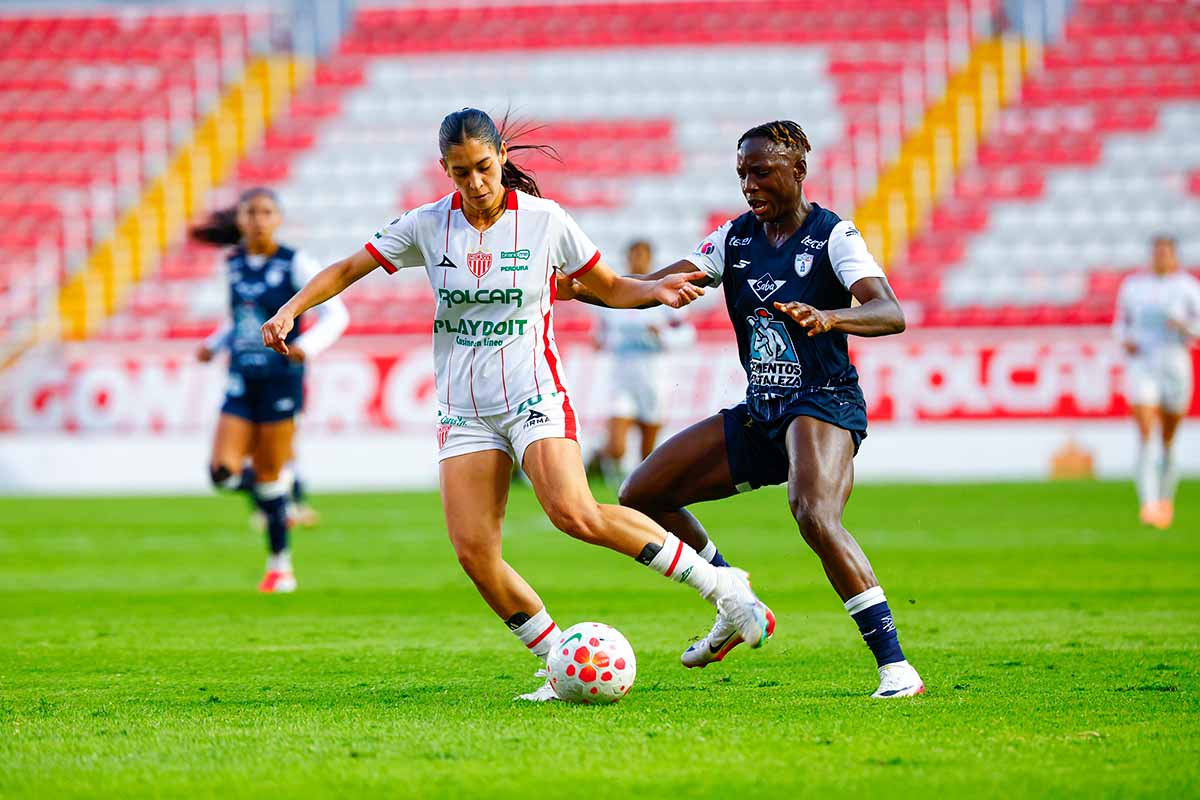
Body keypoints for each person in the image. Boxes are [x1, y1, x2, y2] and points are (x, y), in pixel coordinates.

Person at [260, 108, 772, 701]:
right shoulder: (428, 225)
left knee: (573, 513)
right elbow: (349, 267)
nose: (475, 184)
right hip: (463, 408)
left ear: (502, 157)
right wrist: (292, 308)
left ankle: (725, 589)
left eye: (483, 167)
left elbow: (604, 286)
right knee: (476, 553)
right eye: (460, 173)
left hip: (532, 393)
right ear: (445, 171)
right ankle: (559, 661)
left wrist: (652, 290)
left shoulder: (545, 220)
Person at [561, 120, 923, 698]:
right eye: (742, 175)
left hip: (823, 403)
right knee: (642, 493)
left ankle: (896, 667)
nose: (749, 185)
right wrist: (590, 288)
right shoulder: (734, 239)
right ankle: (734, 597)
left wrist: (830, 316)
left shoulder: (835, 236)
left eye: (761, 172)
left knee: (812, 511)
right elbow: (671, 278)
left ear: (797, 170)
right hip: (763, 410)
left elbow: (889, 311)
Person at [195, 187, 349, 593]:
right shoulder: (234, 264)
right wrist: (215, 344)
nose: (259, 219)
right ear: (241, 220)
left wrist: (307, 347)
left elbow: (337, 313)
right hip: (241, 378)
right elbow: (242, 321)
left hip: (281, 380)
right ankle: (285, 496)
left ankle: (280, 565)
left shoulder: (295, 263)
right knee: (223, 474)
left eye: (267, 212)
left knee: (268, 475)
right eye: (251, 212)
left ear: (278, 219)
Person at [588, 240, 695, 484]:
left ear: (650, 259)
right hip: (622, 378)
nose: (637, 259)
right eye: (633, 254)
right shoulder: (615, 294)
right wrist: (600, 341)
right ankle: (598, 458)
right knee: (617, 447)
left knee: (648, 453)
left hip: (653, 378)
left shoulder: (664, 296)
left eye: (642, 255)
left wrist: (663, 335)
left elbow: (687, 334)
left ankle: (641, 492)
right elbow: (601, 335)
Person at [1113, 235, 1200, 529]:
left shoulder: (1187, 287)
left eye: (1166, 252)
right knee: (1146, 433)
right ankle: (1148, 504)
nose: (1161, 257)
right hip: (1143, 364)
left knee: (1168, 439)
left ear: (1174, 256)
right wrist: (1125, 341)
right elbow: (1120, 324)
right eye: (1157, 252)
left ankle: (1165, 499)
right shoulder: (1134, 287)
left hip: (1175, 363)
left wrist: (1185, 326)